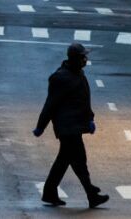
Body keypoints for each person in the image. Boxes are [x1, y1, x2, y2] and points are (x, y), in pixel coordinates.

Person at [33, 43, 109, 209]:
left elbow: (84, 100)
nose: (85, 60)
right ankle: (90, 194)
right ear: (75, 59)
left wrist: (90, 118)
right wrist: (41, 126)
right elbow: (50, 105)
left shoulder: (79, 74)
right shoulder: (60, 78)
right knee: (78, 159)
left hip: (75, 126)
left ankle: (51, 193)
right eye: (83, 57)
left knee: (68, 160)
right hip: (67, 128)